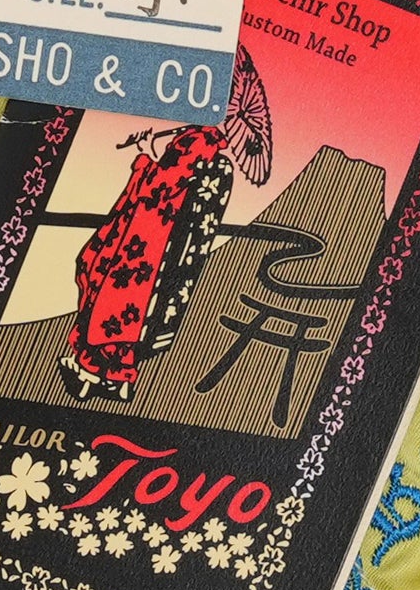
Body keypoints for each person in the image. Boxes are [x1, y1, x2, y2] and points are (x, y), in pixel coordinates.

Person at [60, 46, 273, 399]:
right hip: (160, 240)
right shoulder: (205, 144)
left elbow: (160, 188)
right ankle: (117, 375)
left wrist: (145, 157)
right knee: (126, 306)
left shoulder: (196, 141)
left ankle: (91, 370)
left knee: (102, 281)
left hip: (147, 236)